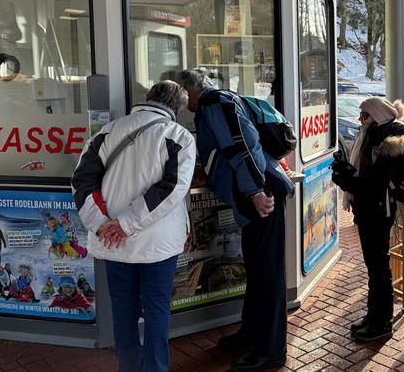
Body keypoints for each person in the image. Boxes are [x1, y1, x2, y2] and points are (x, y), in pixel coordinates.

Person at [72, 80, 196, 372]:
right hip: (158, 245)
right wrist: (125, 224)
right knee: (156, 310)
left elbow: (81, 181)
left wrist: (104, 226)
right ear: (177, 108)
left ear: (149, 98)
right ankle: (155, 368)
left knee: (124, 311)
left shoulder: (106, 132)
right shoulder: (178, 136)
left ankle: (129, 367)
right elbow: (172, 189)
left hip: (113, 244)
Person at [175, 69, 293, 372]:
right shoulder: (213, 105)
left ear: (190, 91)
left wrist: (255, 191)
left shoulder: (216, 104)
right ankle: (251, 333)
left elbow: (242, 146)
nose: (179, 102)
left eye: (180, 94)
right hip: (253, 193)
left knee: (268, 272)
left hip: (260, 193)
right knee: (256, 267)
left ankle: (271, 350)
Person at [331, 97, 404, 342]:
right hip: (369, 208)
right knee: (375, 267)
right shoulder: (373, 136)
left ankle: (381, 322)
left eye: (365, 115)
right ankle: (374, 316)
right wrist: (347, 172)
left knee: (378, 267)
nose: (360, 119)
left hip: (378, 211)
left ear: (378, 115)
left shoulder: (388, 142)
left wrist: (347, 179)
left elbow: (376, 184)